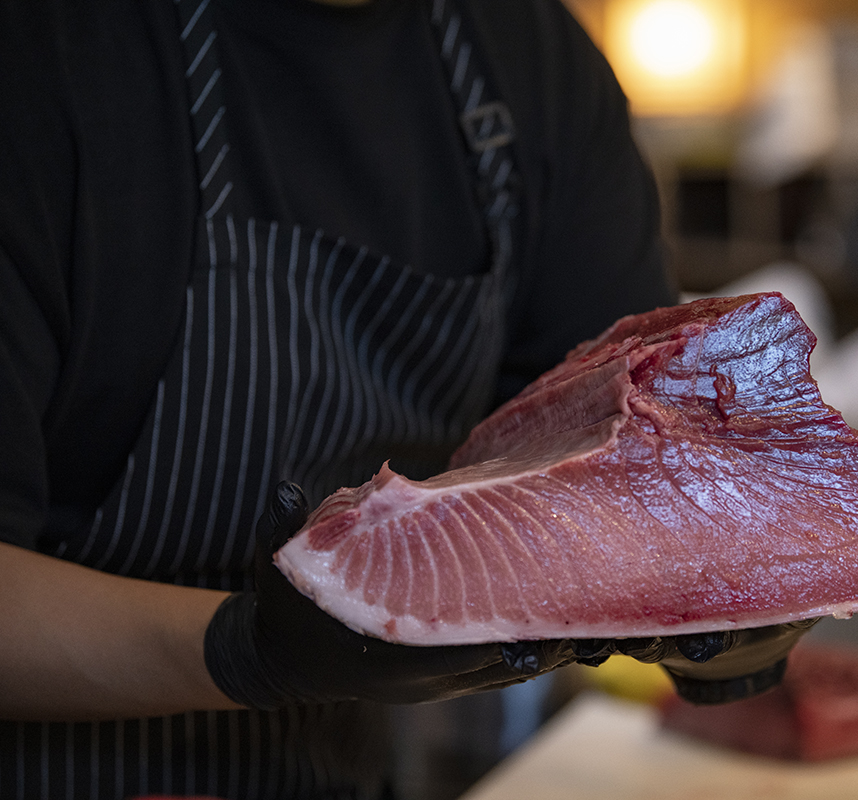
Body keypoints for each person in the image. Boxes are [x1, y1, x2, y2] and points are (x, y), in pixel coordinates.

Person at [0, 0, 806, 797]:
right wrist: (243, 650)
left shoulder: (525, 55)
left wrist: (732, 607)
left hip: (336, 770)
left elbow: (628, 467)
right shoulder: (49, 48)